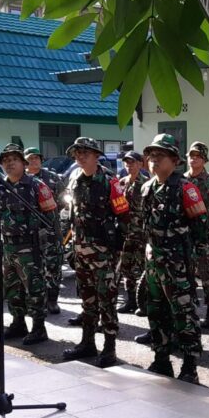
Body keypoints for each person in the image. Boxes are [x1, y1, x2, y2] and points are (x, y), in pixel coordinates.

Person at [139, 134, 209, 382]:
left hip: (178, 263)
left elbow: (201, 228)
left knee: (184, 315)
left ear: (174, 161)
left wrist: (200, 263)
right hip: (154, 263)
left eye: (160, 156)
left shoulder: (186, 189)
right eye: (151, 156)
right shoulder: (147, 187)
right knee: (156, 312)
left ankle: (190, 366)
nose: (154, 161)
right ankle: (161, 359)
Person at [61, 137, 129, 364]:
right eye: (77, 153)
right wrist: (71, 246)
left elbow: (124, 217)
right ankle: (87, 343)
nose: (80, 157)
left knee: (107, 300)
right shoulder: (75, 180)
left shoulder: (110, 182)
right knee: (87, 299)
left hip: (104, 253)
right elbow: (72, 216)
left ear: (96, 155)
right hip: (81, 250)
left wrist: (116, 251)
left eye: (85, 153)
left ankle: (109, 349)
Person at [0, 144, 57, 345]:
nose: (9, 163)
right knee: (12, 288)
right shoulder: (0, 186)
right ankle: (18, 322)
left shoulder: (36, 185)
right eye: (5, 161)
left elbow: (51, 220)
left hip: (30, 248)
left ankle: (39, 327)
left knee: (34, 289)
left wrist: (48, 250)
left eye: (13, 159)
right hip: (8, 247)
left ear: (23, 163)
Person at [25, 146, 65, 313]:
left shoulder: (52, 178)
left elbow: (63, 200)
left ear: (41, 160)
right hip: (29, 233)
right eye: (30, 158)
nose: (33, 161)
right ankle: (36, 301)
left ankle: (52, 300)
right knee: (33, 268)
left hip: (50, 231)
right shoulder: (22, 180)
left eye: (36, 158)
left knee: (53, 266)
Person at [185, 141, 209, 328]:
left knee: (208, 276)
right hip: (185, 235)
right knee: (186, 274)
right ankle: (189, 310)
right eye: (191, 155)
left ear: (204, 159)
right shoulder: (181, 180)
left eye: (197, 155)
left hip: (205, 236)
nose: (193, 158)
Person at [117, 151, 148, 315]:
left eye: (132, 162)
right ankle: (130, 300)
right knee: (126, 268)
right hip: (125, 233)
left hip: (141, 234)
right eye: (126, 163)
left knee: (143, 268)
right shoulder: (121, 183)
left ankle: (143, 302)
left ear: (140, 164)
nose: (129, 166)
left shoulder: (146, 183)